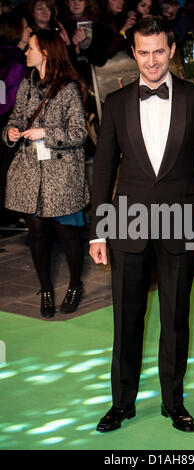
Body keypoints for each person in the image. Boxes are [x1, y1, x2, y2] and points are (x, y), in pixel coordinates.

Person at [89, 17, 194, 433]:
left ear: (171, 51)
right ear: (134, 53)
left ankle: (174, 402)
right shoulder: (114, 105)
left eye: (158, 51)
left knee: (175, 319)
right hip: (127, 222)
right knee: (126, 320)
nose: (151, 60)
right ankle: (121, 404)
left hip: (183, 219)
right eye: (143, 51)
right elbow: (102, 173)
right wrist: (99, 230)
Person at [2, 30, 90, 318]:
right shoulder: (27, 85)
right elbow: (14, 118)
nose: (26, 52)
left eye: (31, 48)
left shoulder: (68, 89)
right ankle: (46, 289)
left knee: (66, 232)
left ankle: (76, 285)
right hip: (31, 172)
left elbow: (79, 133)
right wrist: (11, 132)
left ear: (47, 52)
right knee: (37, 232)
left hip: (61, 173)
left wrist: (46, 133)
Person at [0, 10, 31, 226]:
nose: (30, 30)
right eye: (26, 27)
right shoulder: (18, 62)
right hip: (11, 121)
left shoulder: (4, 56)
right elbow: (16, 98)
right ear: (16, 32)